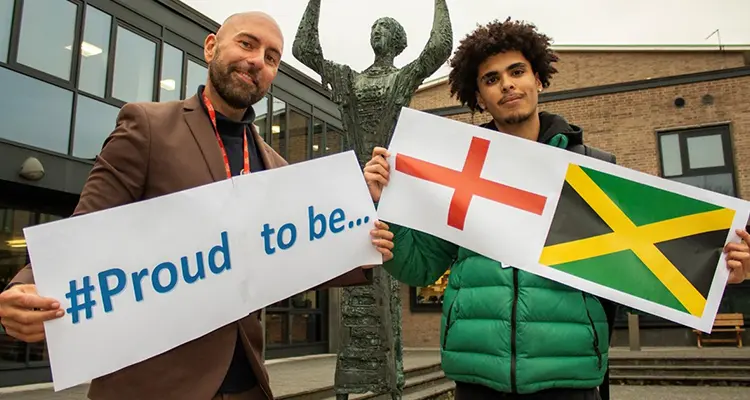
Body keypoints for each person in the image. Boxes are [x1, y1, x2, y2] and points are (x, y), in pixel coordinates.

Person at [0, 11, 394, 400]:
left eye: (272, 58)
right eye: (247, 43)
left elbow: (301, 256)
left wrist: (359, 221)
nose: (258, 60)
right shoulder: (148, 126)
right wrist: (27, 286)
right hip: (153, 384)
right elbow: (87, 226)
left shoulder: (277, 168)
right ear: (210, 47)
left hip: (247, 384)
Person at [363, 18, 750, 400]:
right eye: (491, 78)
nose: (507, 84)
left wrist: (717, 272)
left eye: (517, 71)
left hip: (570, 379)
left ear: (539, 79)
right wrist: (385, 205)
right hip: (477, 377)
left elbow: (642, 270)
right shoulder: (457, 169)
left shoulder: (592, 170)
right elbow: (421, 266)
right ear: (479, 96)